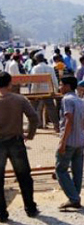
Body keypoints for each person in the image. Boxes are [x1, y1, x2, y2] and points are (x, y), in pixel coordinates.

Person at [0, 72, 40, 222]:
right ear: (10, 84)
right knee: (24, 177)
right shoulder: (19, 99)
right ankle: (30, 208)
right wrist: (29, 135)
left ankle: (2, 214)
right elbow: (34, 118)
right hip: (16, 142)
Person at [55, 75, 84, 210]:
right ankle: (75, 196)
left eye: (61, 85)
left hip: (70, 141)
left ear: (67, 86)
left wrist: (62, 142)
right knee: (77, 171)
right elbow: (82, 121)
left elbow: (69, 121)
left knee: (60, 170)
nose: (59, 87)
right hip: (80, 140)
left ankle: (73, 198)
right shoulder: (80, 100)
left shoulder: (66, 99)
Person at [30, 54, 60, 132]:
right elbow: (54, 80)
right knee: (51, 108)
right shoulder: (50, 68)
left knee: (35, 108)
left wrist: (33, 93)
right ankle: (56, 126)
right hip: (48, 91)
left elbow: (34, 82)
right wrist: (56, 90)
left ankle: (37, 124)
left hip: (38, 91)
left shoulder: (35, 68)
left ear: (36, 60)